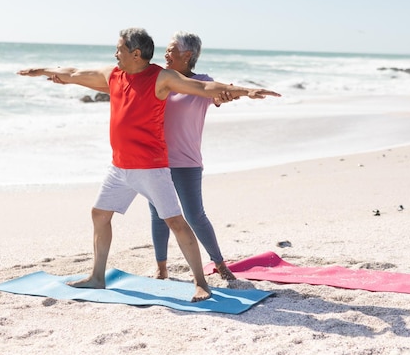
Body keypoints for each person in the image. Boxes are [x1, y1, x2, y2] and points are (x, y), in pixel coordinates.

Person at [18, 28, 280, 302]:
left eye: (119, 49)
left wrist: (246, 90)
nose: (114, 54)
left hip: (152, 167)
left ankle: (201, 282)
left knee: (177, 222)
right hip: (119, 167)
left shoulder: (161, 77)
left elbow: (203, 88)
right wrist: (43, 70)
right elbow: (74, 73)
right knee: (99, 214)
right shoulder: (114, 74)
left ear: (136, 53)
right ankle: (98, 277)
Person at [150, 31, 236, 281]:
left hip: (186, 162)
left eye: (171, 50)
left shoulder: (201, 82)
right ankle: (161, 268)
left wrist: (233, 94)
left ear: (187, 55)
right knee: (158, 215)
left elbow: (220, 93)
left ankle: (220, 264)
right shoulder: (161, 78)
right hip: (157, 161)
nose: (165, 54)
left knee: (194, 215)